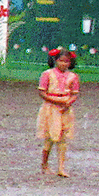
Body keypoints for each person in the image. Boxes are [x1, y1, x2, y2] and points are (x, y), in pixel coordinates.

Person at [37, 48, 79, 177]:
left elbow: (75, 93)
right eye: (61, 61)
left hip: (65, 108)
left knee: (63, 138)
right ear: (55, 61)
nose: (64, 64)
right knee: (49, 138)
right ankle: (45, 165)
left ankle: (61, 167)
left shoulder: (73, 76)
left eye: (66, 62)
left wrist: (68, 103)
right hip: (51, 108)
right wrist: (55, 101)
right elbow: (42, 92)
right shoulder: (48, 74)